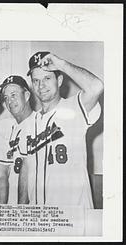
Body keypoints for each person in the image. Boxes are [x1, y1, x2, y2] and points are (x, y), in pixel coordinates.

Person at [18, 51, 103, 208]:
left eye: (47, 78)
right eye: (36, 80)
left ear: (60, 80)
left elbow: (96, 87)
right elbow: (26, 167)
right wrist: (21, 208)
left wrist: (61, 64)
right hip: (41, 219)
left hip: (74, 213)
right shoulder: (28, 124)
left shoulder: (75, 107)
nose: (41, 85)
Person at [0, 75, 35, 204]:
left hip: (29, 206)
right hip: (11, 204)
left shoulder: (39, 122)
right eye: (6, 98)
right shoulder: (7, 126)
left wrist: (21, 210)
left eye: (13, 95)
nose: (9, 101)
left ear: (27, 95)